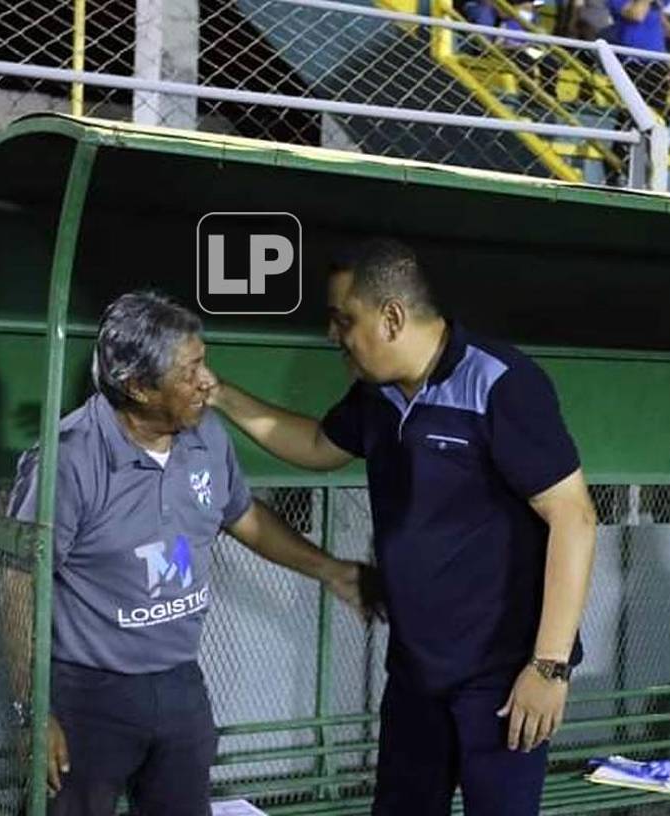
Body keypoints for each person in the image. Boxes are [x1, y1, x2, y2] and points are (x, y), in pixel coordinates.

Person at [208, 239, 598, 815]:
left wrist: (548, 666)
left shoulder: (500, 382)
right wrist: (220, 395)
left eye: (345, 320)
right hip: (416, 670)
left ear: (391, 317)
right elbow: (318, 444)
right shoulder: (376, 394)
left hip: (502, 677)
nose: (333, 335)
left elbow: (576, 517)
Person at [6, 291, 371, 816]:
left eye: (204, 362)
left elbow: (244, 518)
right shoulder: (69, 460)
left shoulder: (206, 438)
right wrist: (33, 710)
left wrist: (330, 570)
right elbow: (20, 581)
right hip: (88, 693)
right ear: (138, 387)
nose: (208, 382)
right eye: (189, 371)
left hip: (180, 683)